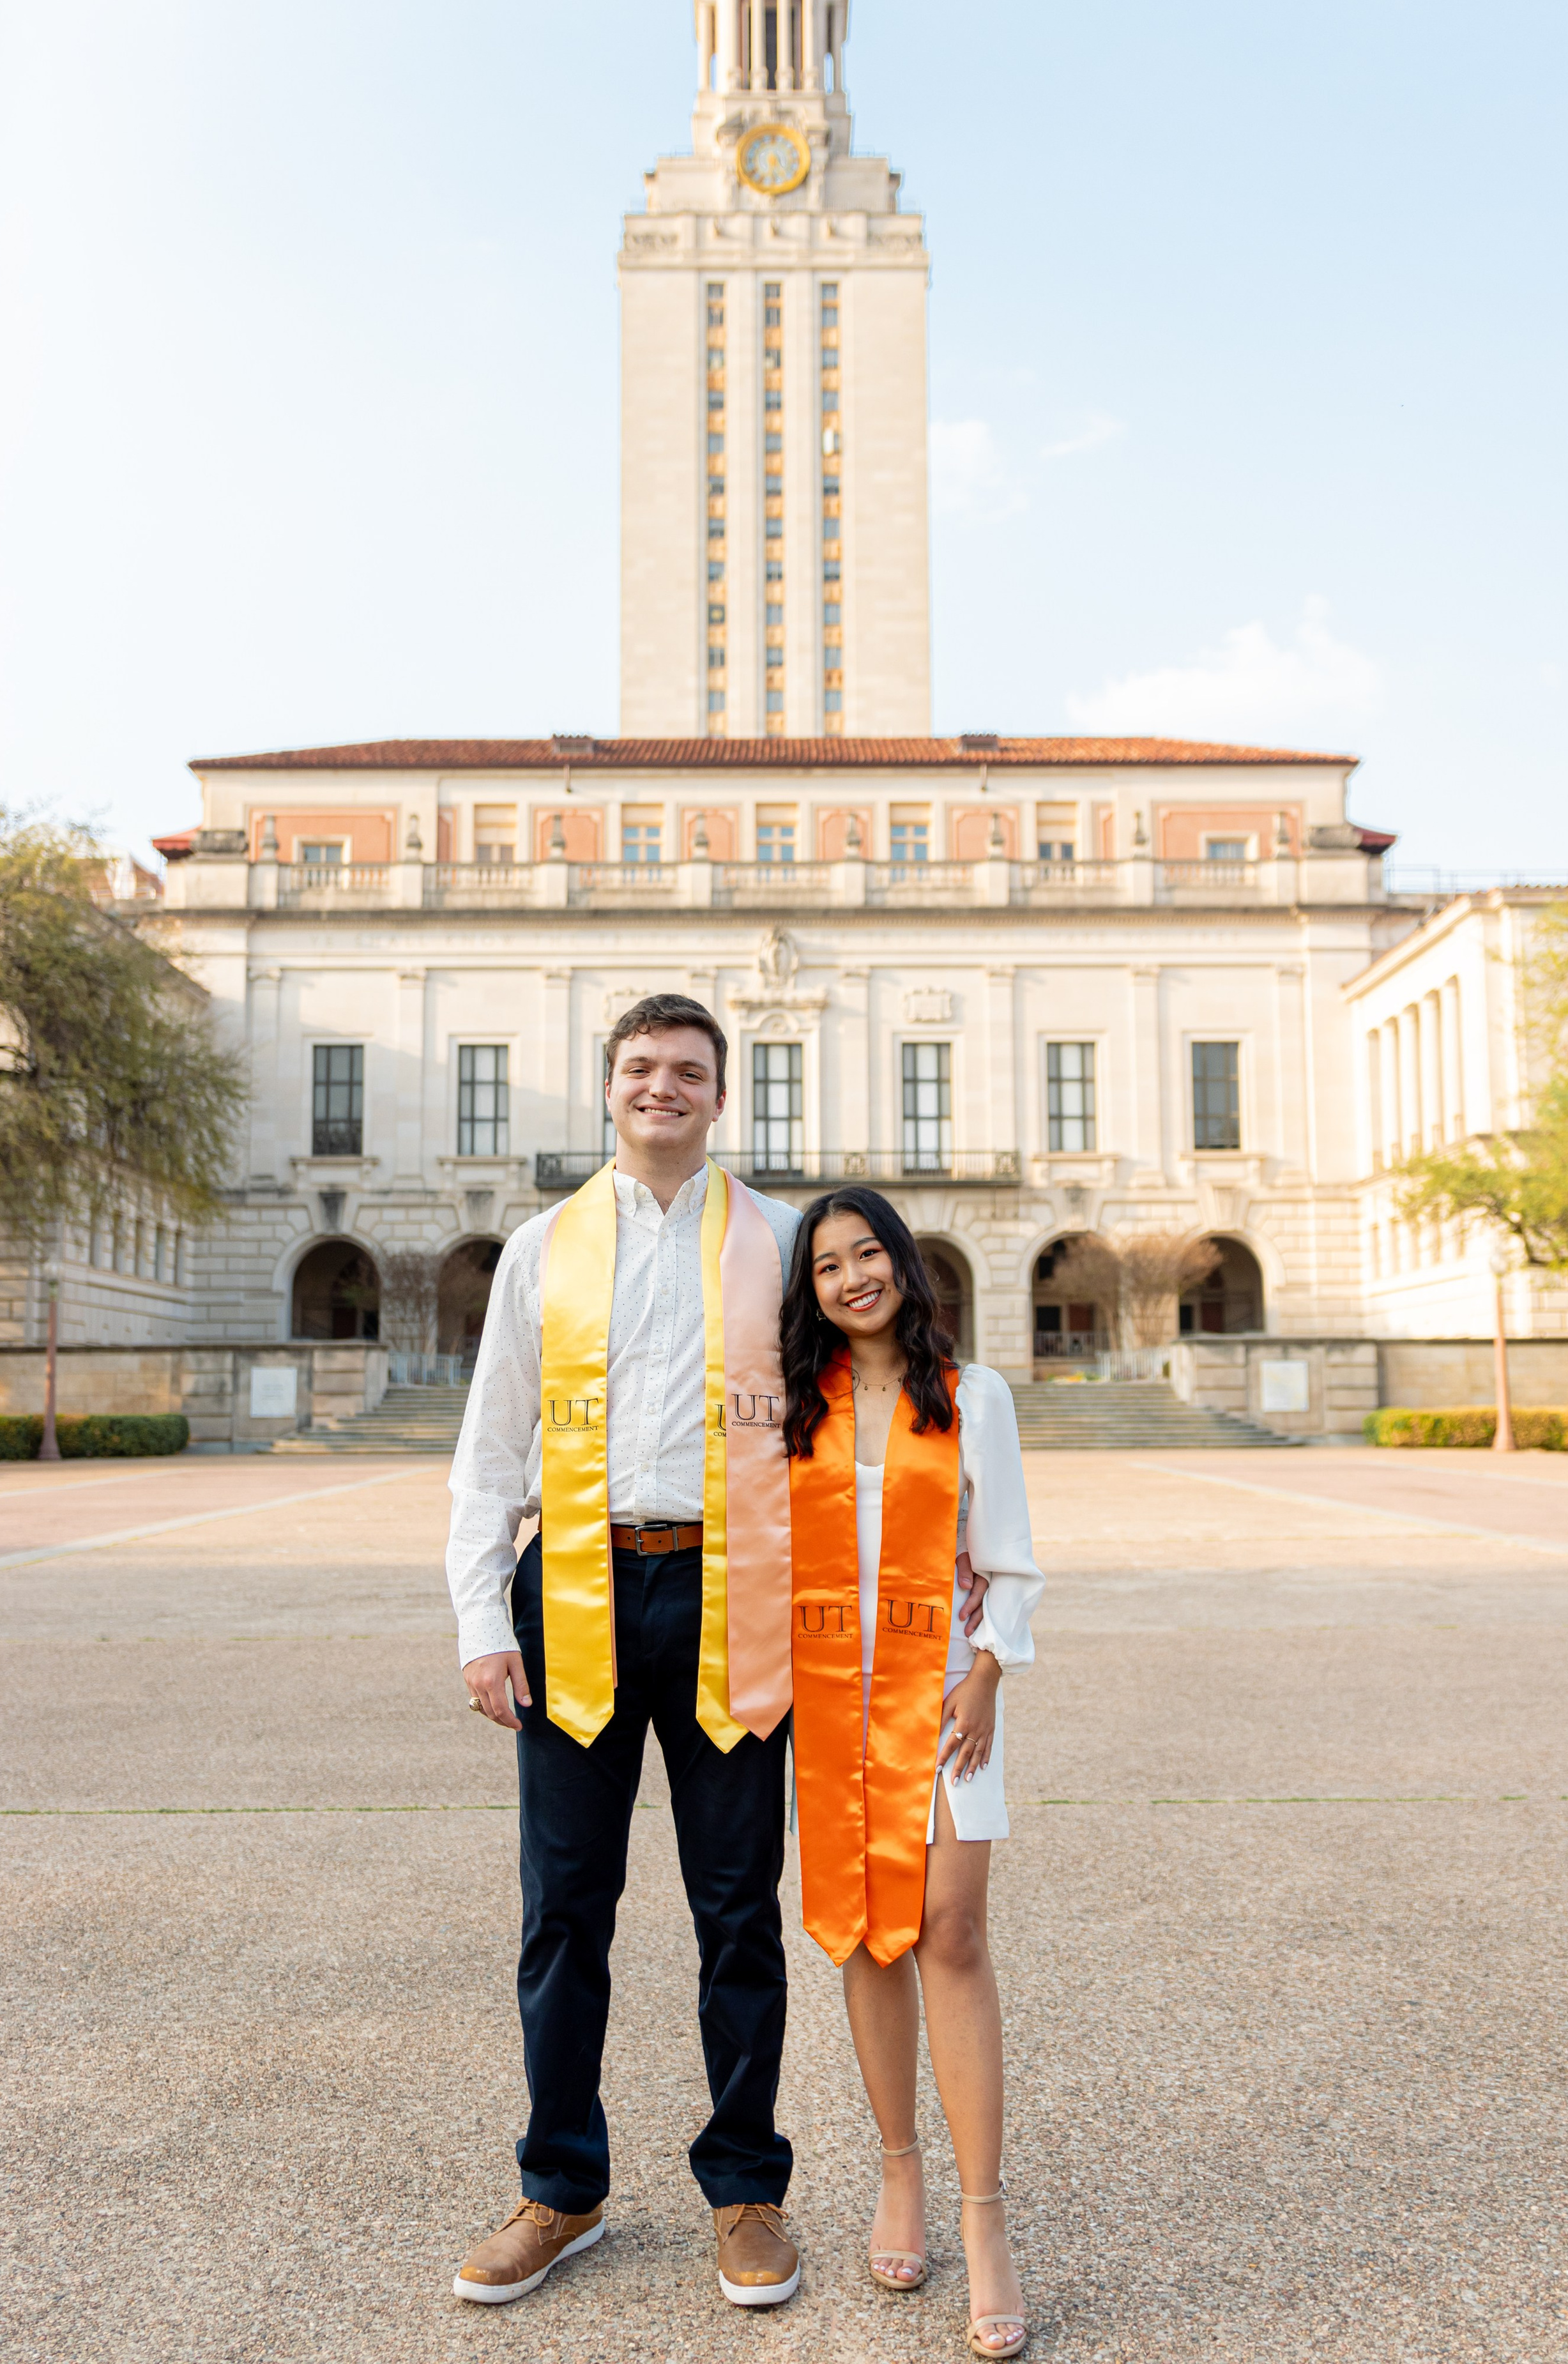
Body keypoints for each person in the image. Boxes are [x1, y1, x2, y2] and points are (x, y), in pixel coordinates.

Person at [445, 993, 807, 2313]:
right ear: (608, 1086)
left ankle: (746, 2185)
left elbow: (833, 1437)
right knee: (561, 1912)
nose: (663, 1087)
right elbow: (491, 1446)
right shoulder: (545, 1245)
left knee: (737, 1909)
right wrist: (484, 1618)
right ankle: (561, 2184)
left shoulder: (774, 1238)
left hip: (731, 1592)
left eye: (688, 1071)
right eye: (641, 1067)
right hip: (579, 1591)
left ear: (721, 1095)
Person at [781, 1187, 1044, 2361]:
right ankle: (901, 2174)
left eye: (868, 1251)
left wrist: (988, 1671)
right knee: (860, 1930)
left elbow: (1015, 1560)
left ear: (903, 1261)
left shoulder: (973, 1396)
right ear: (813, 1289)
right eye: (829, 1264)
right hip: (831, 1703)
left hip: (942, 1697)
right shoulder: (794, 1408)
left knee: (952, 1931)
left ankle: (986, 2221)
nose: (852, 1277)